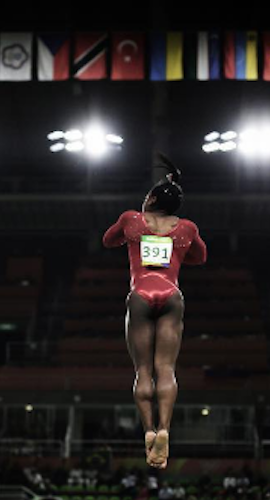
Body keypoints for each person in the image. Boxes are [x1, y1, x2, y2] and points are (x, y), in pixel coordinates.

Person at [103, 154, 207, 469]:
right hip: (171, 294)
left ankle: (148, 430)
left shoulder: (132, 220)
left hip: (141, 294)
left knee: (143, 371)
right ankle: (165, 429)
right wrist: (177, 252)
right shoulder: (186, 228)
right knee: (166, 369)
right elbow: (200, 258)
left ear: (150, 198)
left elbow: (108, 241)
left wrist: (133, 235)